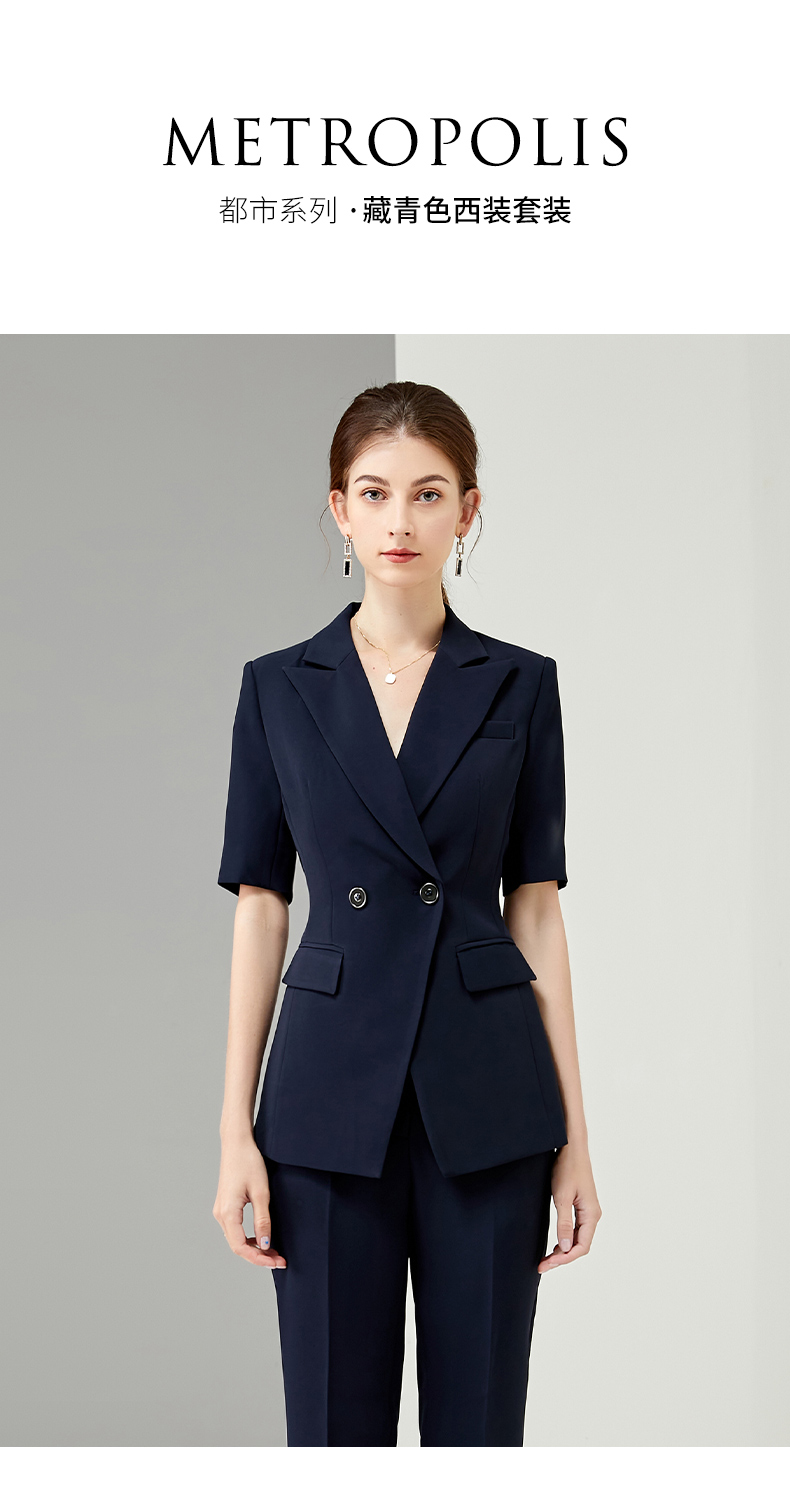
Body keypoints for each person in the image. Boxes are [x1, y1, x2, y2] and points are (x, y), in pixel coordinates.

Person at [212, 380, 602, 1446]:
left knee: (480, 1433)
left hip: (489, 1096)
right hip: (325, 1101)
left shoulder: (519, 685)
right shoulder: (278, 688)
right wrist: (234, 1129)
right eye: (375, 493)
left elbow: (535, 910)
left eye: (428, 494)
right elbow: (262, 906)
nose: (400, 521)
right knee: (332, 1434)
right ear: (338, 509)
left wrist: (574, 1135)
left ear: (468, 511)